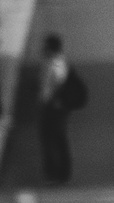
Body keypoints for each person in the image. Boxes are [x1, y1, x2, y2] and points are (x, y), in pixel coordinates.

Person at [33, 33, 86, 185]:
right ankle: (58, 173)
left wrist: (51, 101)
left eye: (45, 46)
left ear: (50, 47)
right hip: (52, 106)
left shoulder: (56, 63)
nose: (42, 49)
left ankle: (57, 174)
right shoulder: (52, 62)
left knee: (54, 140)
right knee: (56, 139)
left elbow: (57, 85)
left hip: (54, 108)